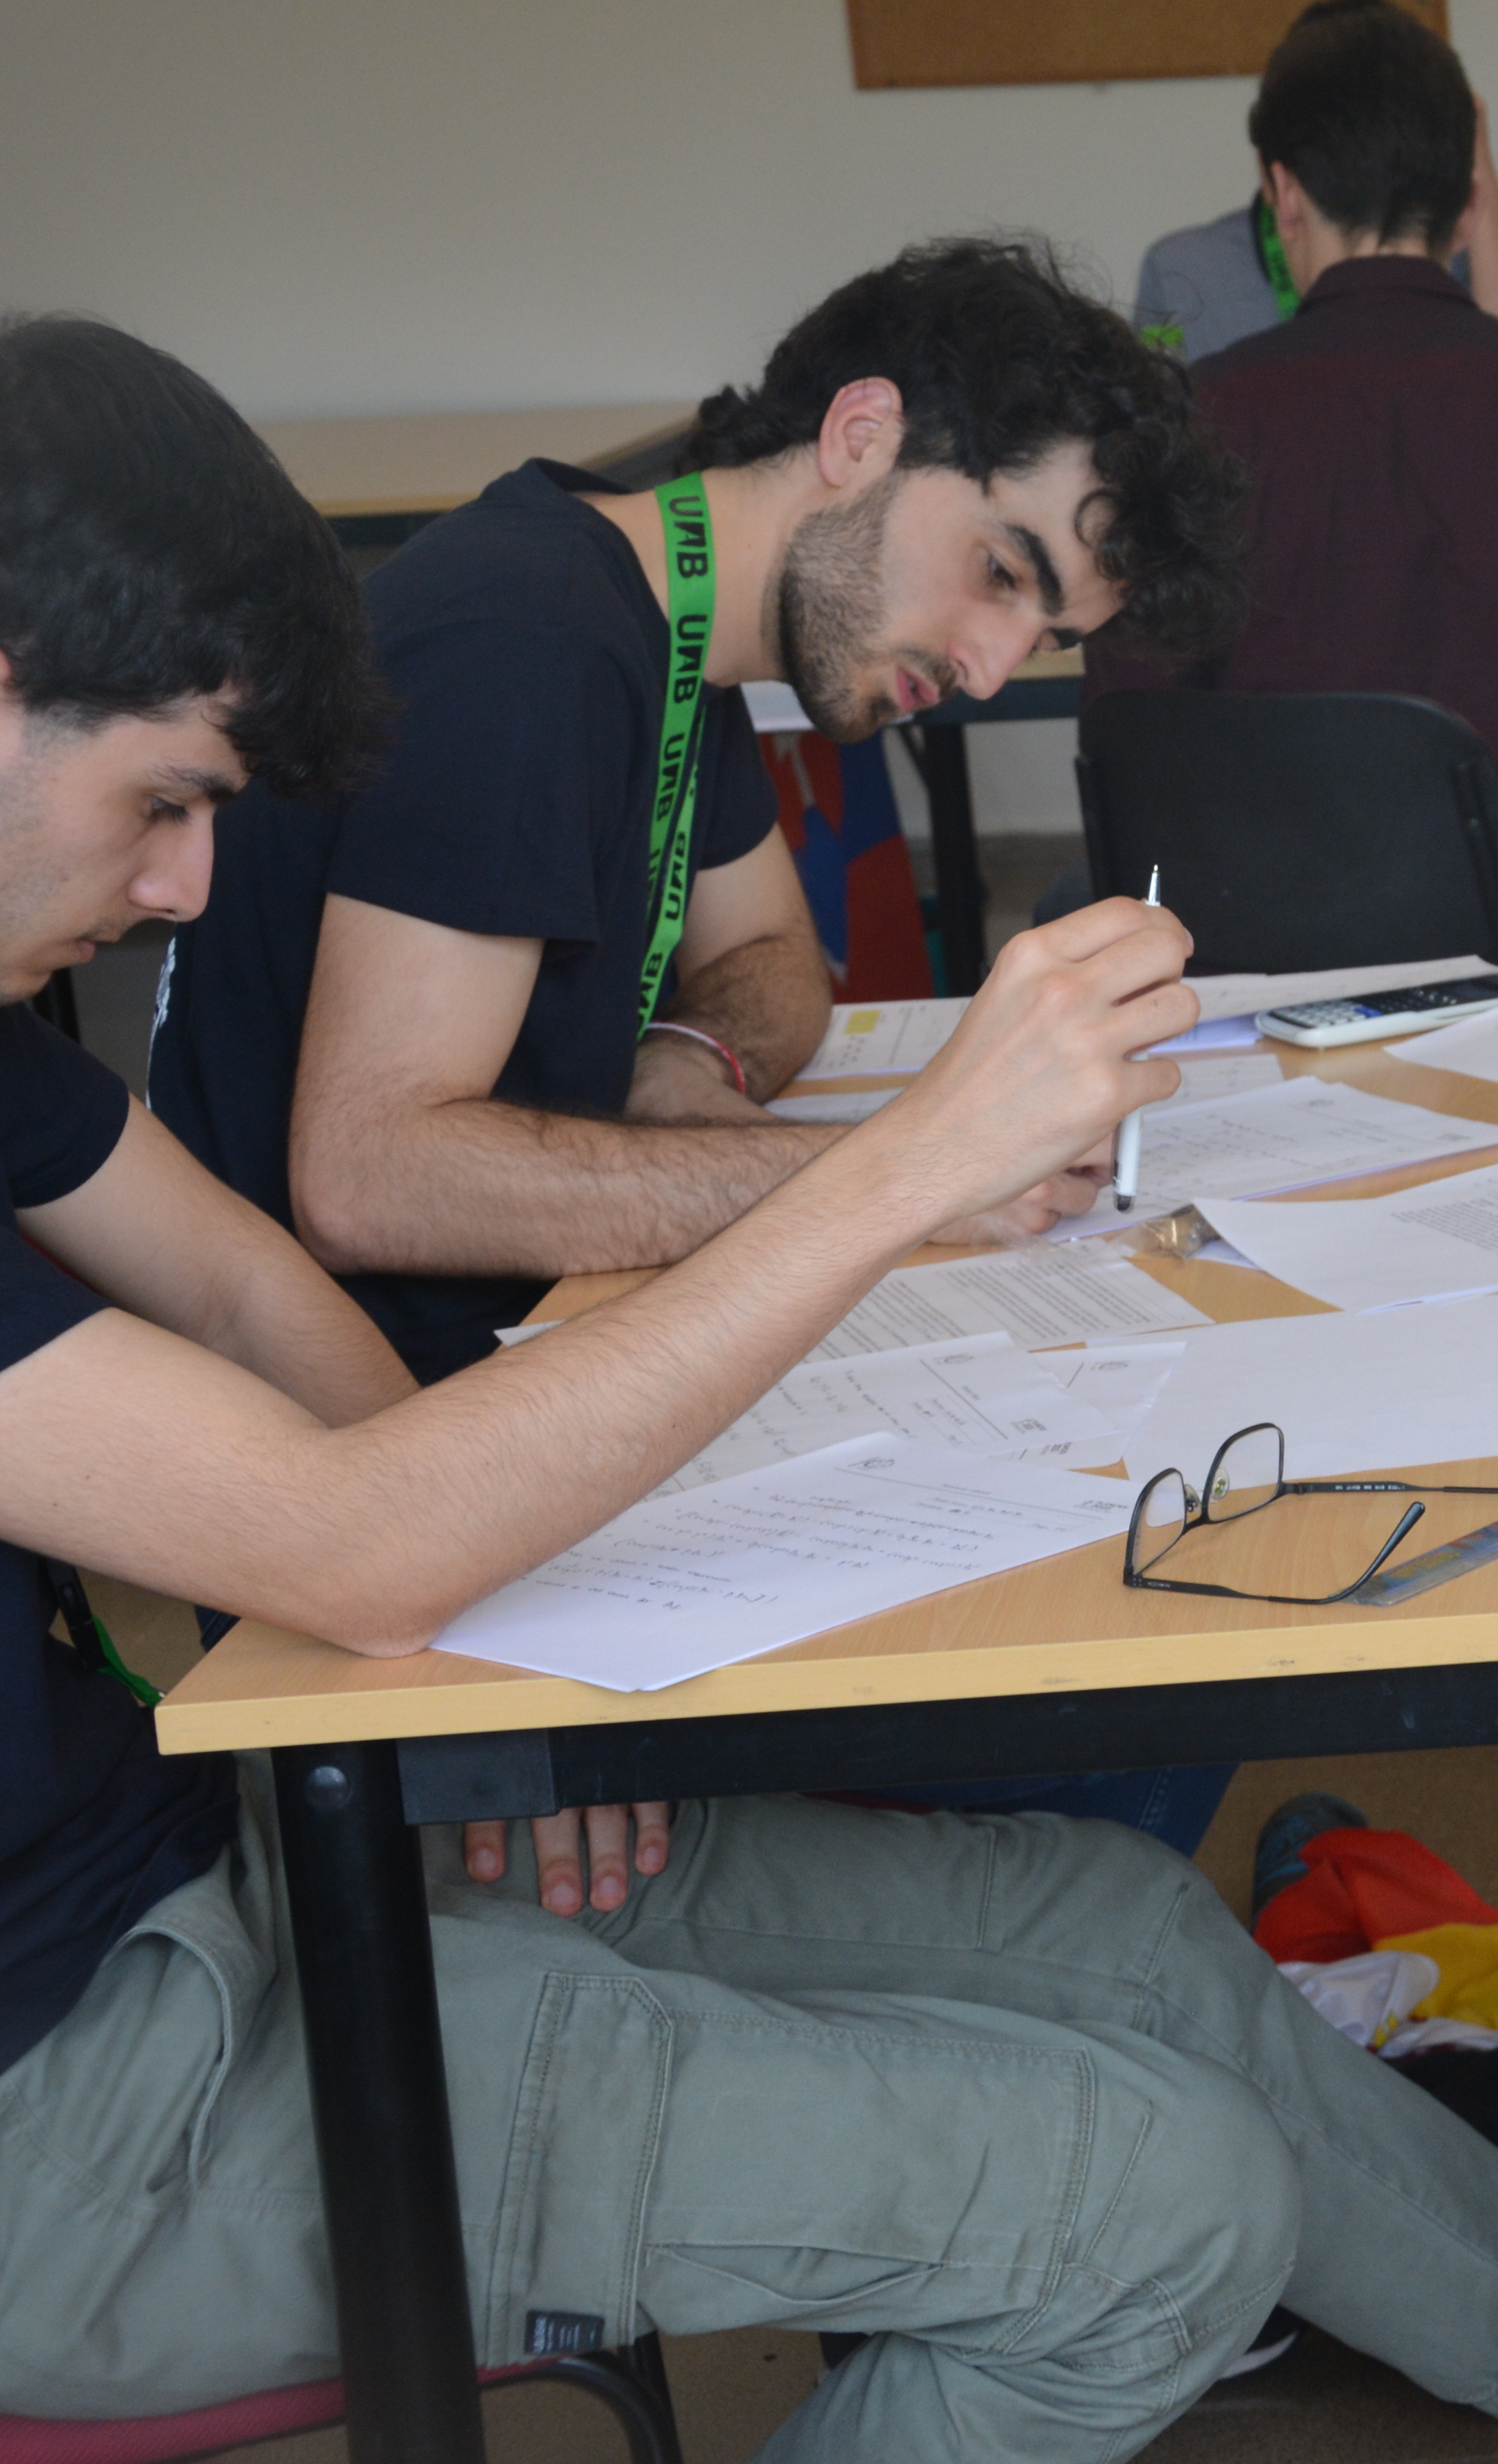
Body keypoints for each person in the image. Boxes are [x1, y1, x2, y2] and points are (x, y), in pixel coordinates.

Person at [0, 315, 1498, 2461]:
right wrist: (903, 1171)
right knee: (1164, 2209)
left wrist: (471, 1676)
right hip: (78, 2089)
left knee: (1110, 1925)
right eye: (166, 803)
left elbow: (264, 1294)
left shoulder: (585, 675)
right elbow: (352, 1340)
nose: (183, 888)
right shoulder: (532, 644)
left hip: (231, 1857)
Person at [147, 239, 1250, 1853]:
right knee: (1134, 1692)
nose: (994, 668)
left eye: (1048, 635)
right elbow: (370, 1177)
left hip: (526, 1371)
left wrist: (690, 1071)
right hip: (382, 1478)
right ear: (860, 435)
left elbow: (769, 964)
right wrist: (902, 1169)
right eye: (1001, 572)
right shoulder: (526, 643)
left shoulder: (670, 624)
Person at [1087, 0, 1498, 964]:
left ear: (1286, 194)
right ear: (1471, 206)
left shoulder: (1193, 427)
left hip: (1275, 969)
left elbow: (1133, 750)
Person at [1135, 0, 1498, 363]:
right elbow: (1150, 423)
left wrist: (1467, 144)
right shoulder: (1177, 270)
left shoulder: (1444, 248)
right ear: (1275, 175)